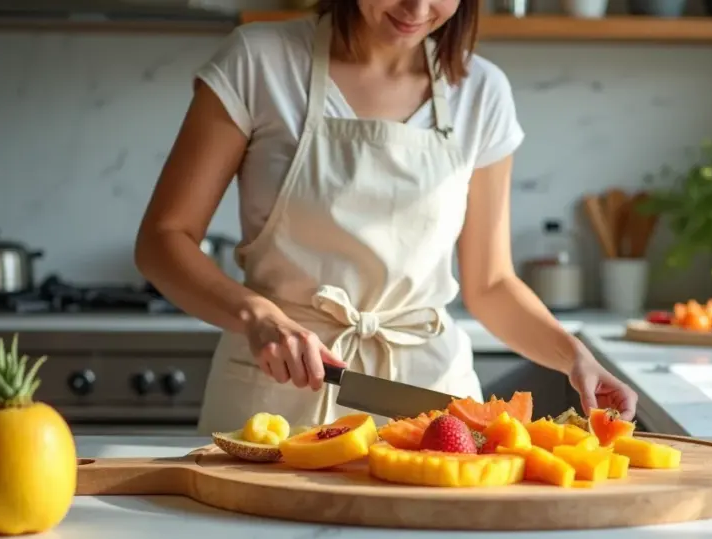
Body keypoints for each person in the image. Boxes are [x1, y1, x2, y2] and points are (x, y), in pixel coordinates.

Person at [134, 0, 639, 434]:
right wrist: (258, 316)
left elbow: (490, 283)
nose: (417, 10)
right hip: (279, 395)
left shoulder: (482, 92)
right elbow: (163, 239)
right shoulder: (259, 61)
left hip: (432, 403)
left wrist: (572, 357)